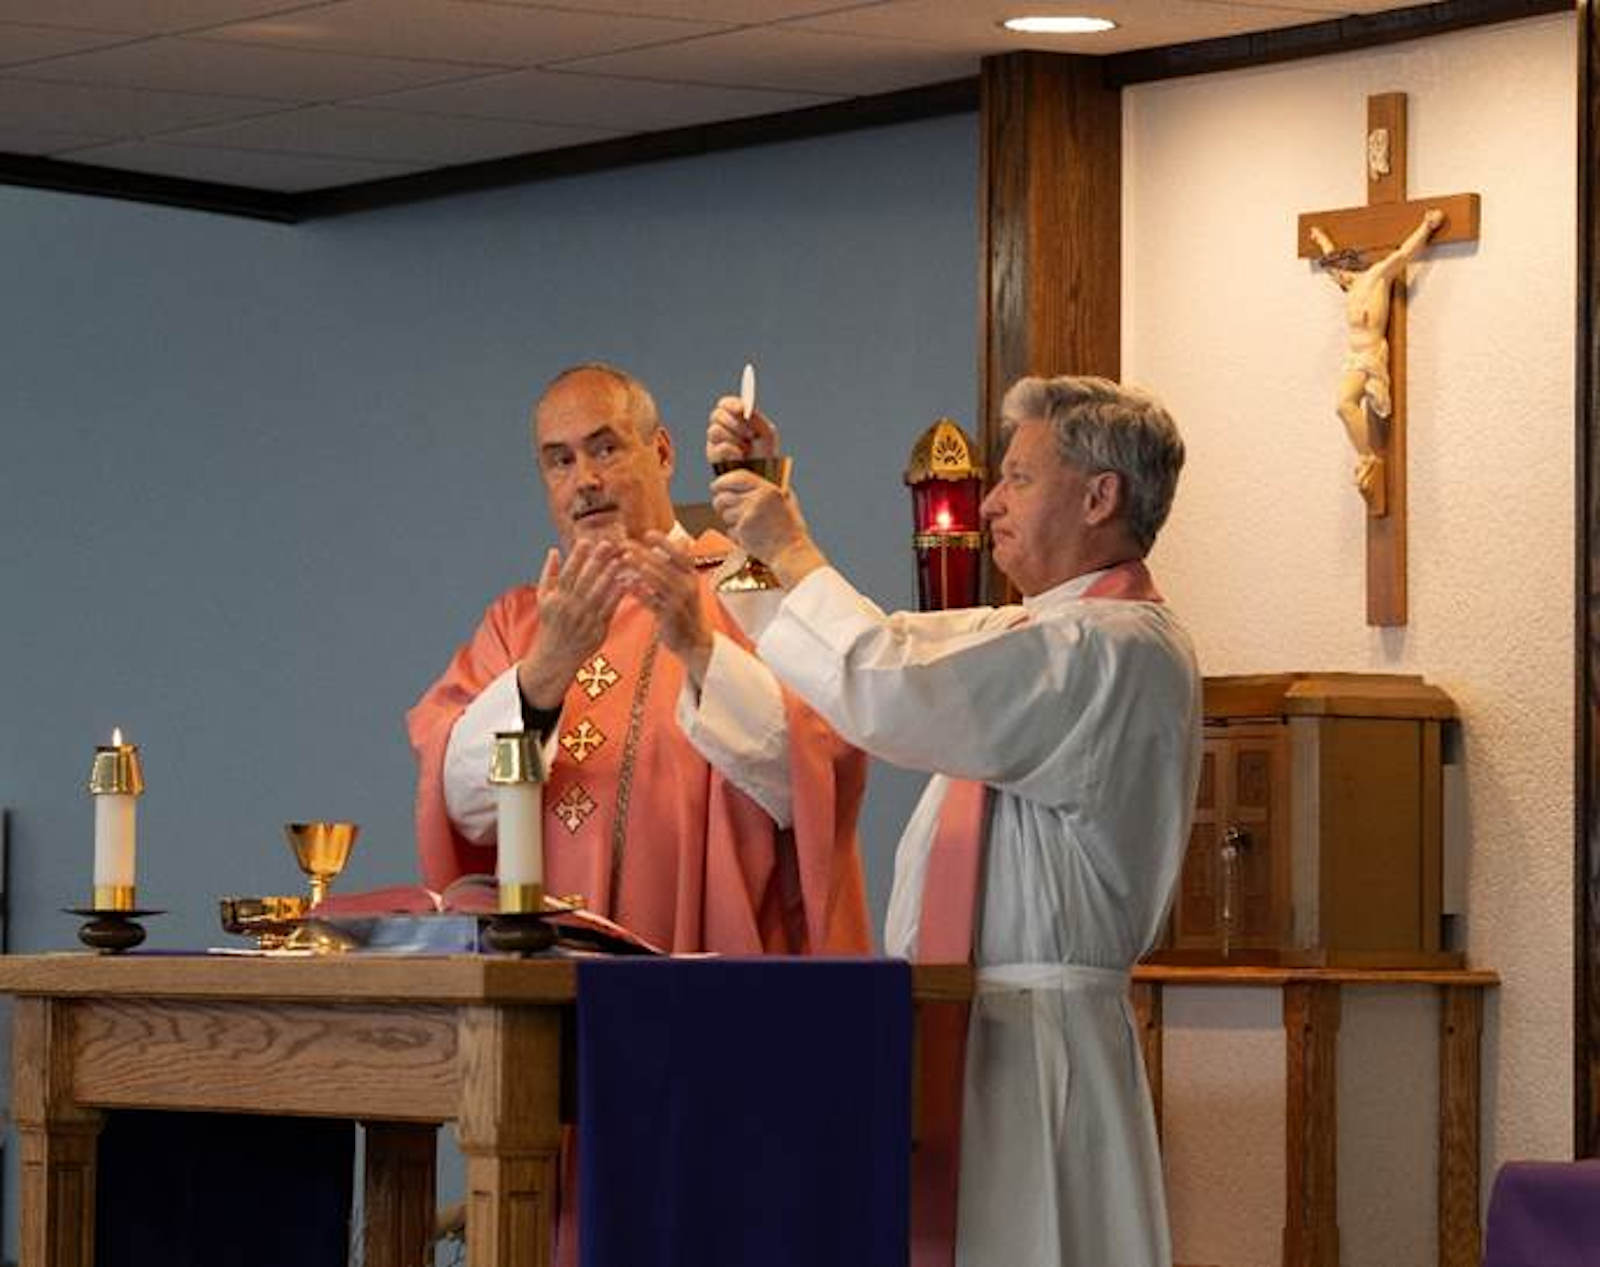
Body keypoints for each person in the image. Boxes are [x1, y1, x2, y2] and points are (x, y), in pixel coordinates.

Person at [698, 374, 1202, 1267]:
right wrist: (758, 520)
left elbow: (888, 680)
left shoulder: (1113, 646)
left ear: (1100, 495)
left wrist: (794, 543)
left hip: (1038, 1055)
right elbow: (869, 657)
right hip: (965, 1036)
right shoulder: (1036, 629)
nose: (991, 501)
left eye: (1018, 477)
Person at [407, 362, 871, 957]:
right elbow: (460, 807)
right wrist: (546, 669)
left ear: (662, 452)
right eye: (561, 460)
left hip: (713, 979)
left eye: (606, 448)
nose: (586, 480)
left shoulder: (748, 586)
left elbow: (815, 776)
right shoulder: (520, 624)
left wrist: (699, 648)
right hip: (545, 992)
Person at [1309, 207, 1444, 508]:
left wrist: (1426, 226)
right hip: (1353, 358)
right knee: (1344, 407)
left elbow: (1403, 255)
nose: (1336, 274)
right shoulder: (1350, 286)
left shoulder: (1377, 277)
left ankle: (1369, 456)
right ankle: (1368, 455)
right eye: (1335, 271)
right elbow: (1331, 258)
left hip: (1370, 356)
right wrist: (1320, 240)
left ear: (1353, 264)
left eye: (1341, 268)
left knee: (1344, 404)